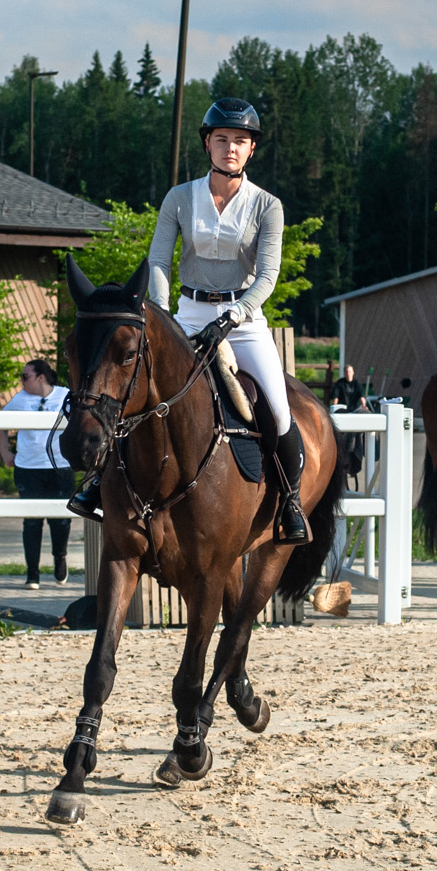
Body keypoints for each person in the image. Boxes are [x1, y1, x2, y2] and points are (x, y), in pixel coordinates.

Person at [69, 97, 309, 542]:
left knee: (277, 409)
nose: (230, 148)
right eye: (222, 140)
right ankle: (96, 485)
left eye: (240, 141)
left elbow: (269, 275)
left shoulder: (266, 206)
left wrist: (234, 316)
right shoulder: (180, 198)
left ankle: (291, 503)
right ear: (207, 144)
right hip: (188, 313)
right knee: (136, 396)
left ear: (251, 148)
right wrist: (161, 316)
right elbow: (158, 260)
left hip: (244, 319)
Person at [2, 360, 73, 588]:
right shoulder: (19, 400)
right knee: (31, 522)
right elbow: (0, 424)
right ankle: (32, 574)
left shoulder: (65, 396)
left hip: (60, 468)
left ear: (41, 377)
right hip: (28, 469)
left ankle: (60, 558)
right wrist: (5, 453)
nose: (21, 381)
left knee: (61, 520)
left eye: (25, 376)